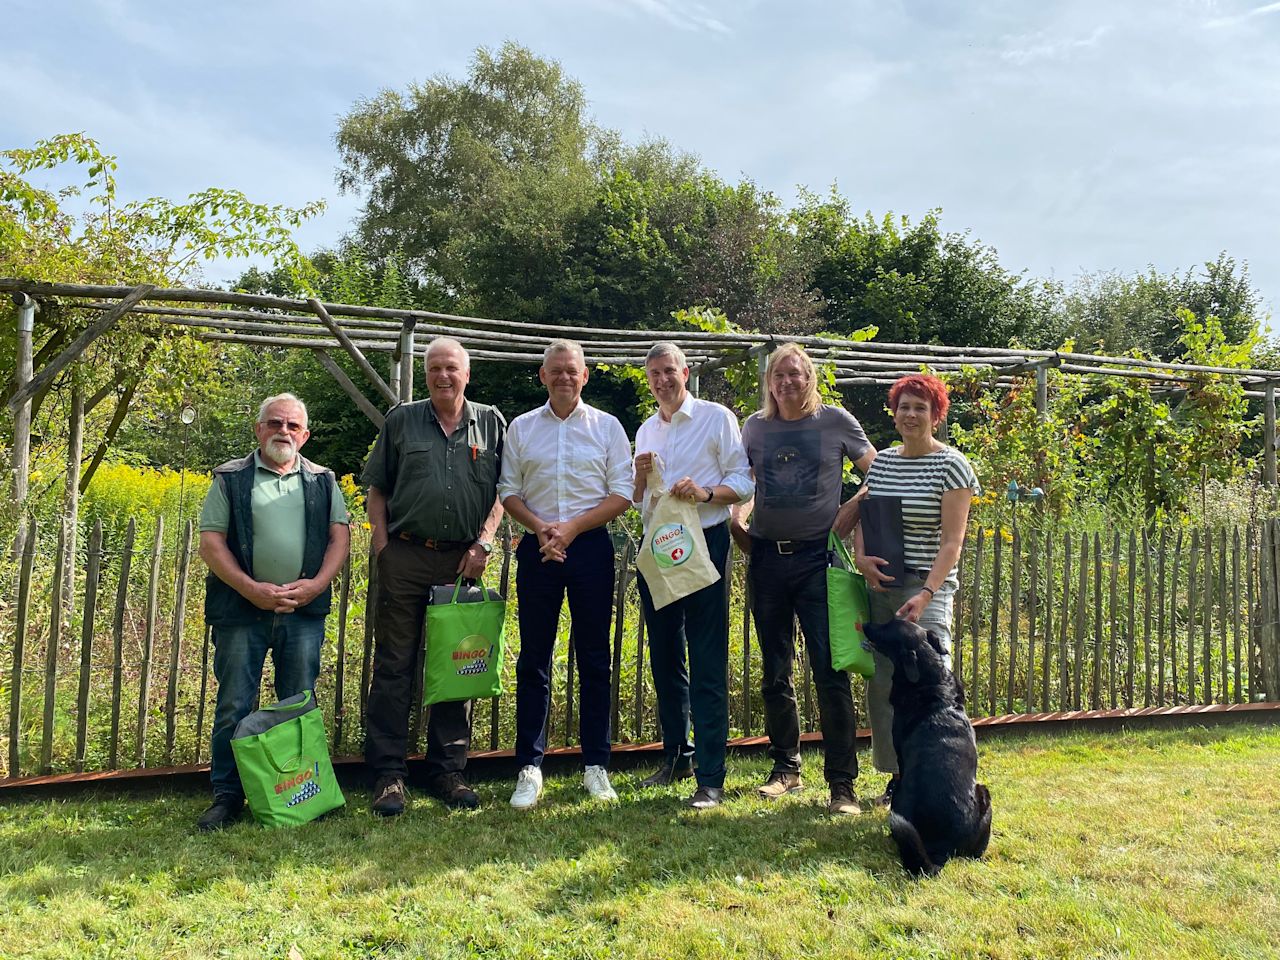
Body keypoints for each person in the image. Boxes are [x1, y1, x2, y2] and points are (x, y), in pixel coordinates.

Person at [730, 343, 876, 816]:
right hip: (767, 560)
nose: (788, 383)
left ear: (810, 378)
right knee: (776, 671)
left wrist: (852, 506)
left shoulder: (835, 421)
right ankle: (786, 768)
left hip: (819, 563)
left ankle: (842, 784)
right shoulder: (754, 427)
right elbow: (744, 481)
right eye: (780, 376)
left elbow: (881, 471)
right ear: (770, 383)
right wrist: (737, 518)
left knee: (829, 670)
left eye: (797, 375)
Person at [362, 337, 505, 815]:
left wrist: (484, 542)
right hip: (406, 555)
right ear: (426, 375)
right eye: (435, 369)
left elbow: (505, 491)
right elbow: (376, 489)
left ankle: (448, 771)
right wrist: (383, 547)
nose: (443, 376)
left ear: (468, 374)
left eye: (452, 368)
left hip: (463, 561)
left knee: (457, 666)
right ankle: (388, 774)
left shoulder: (491, 422)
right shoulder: (402, 420)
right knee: (395, 665)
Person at [196, 393, 351, 831]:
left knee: (298, 702)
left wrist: (316, 586)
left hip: (303, 612)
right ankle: (227, 796)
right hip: (241, 612)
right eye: (274, 423)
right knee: (234, 705)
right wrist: (252, 590)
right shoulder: (231, 478)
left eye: (292, 425)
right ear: (258, 429)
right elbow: (212, 543)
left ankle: (301, 792)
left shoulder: (323, 480)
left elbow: (340, 538)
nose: (283, 431)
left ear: (304, 435)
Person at [498, 340, 633, 810]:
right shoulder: (521, 428)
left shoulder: (608, 427)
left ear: (585, 375)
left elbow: (622, 493)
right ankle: (529, 768)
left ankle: (596, 764)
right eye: (555, 370)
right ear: (542, 376)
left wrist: (572, 528)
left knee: (595, 657)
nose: (563, 377)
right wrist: (542, 530)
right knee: (534, 658)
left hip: (591, 546)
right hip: (538, 548)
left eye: (571, 370)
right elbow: (509, 491)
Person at [632, 342, 753, 810]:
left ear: (685, 372)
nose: (662, 380)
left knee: (705, 658)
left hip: (705, 542)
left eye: (669, 371)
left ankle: (711, 777)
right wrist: (640, 478)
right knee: (665, 657)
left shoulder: (716, 417)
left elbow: (744, 480)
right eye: (654, 375)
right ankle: (675, 757)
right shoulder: (645, 430)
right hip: (661, 549)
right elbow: (640, 500)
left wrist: (705, 493)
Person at [855, 373, 979, 807]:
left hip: (927, 588)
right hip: (884, 584)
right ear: (894, 412)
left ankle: (940, 775)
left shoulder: (953, 466)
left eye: (920, 408)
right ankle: (896, 778)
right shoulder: (884, 461)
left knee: (929, 684)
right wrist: (861, 558)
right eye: (903, 407)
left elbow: (952, 541)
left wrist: (926, 593)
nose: (910, 415)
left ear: (936, 415)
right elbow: (865, 518)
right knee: (886, 684)